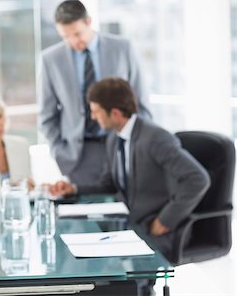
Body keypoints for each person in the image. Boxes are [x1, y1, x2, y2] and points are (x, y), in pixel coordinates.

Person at [50, 77, 210, 258]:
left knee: (111, 268)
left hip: (159, 229)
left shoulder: (155, 138)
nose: (93, 117)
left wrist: (165, 221)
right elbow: (108, 184)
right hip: (131, 224)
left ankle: (142, 287)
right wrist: (73, 188)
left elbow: (198, 178)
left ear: (116, 113)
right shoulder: (114, 138)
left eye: (96, 112)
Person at [39, 0, 151, 187]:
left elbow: (141, 103)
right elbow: (47, 115)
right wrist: (59, 151)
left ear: (89, 22)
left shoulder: (123, 48)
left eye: (77, 33)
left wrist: (140, 146)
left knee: (125, 207)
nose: (74, 41)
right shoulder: (50, 60)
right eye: (66, 36)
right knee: (83, 211)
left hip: (121, 145)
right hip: (78, 155)